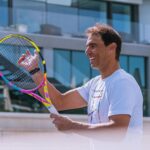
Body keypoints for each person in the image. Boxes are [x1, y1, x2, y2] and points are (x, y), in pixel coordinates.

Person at [18, 23, 143, 139]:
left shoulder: (123, 82)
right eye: (87, 47)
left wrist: (72, 126)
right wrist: (34, 70)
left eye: (93, 46)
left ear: (112, 48)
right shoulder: (95, 84)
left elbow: (117, 132)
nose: (87, 52)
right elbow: (59, 102)